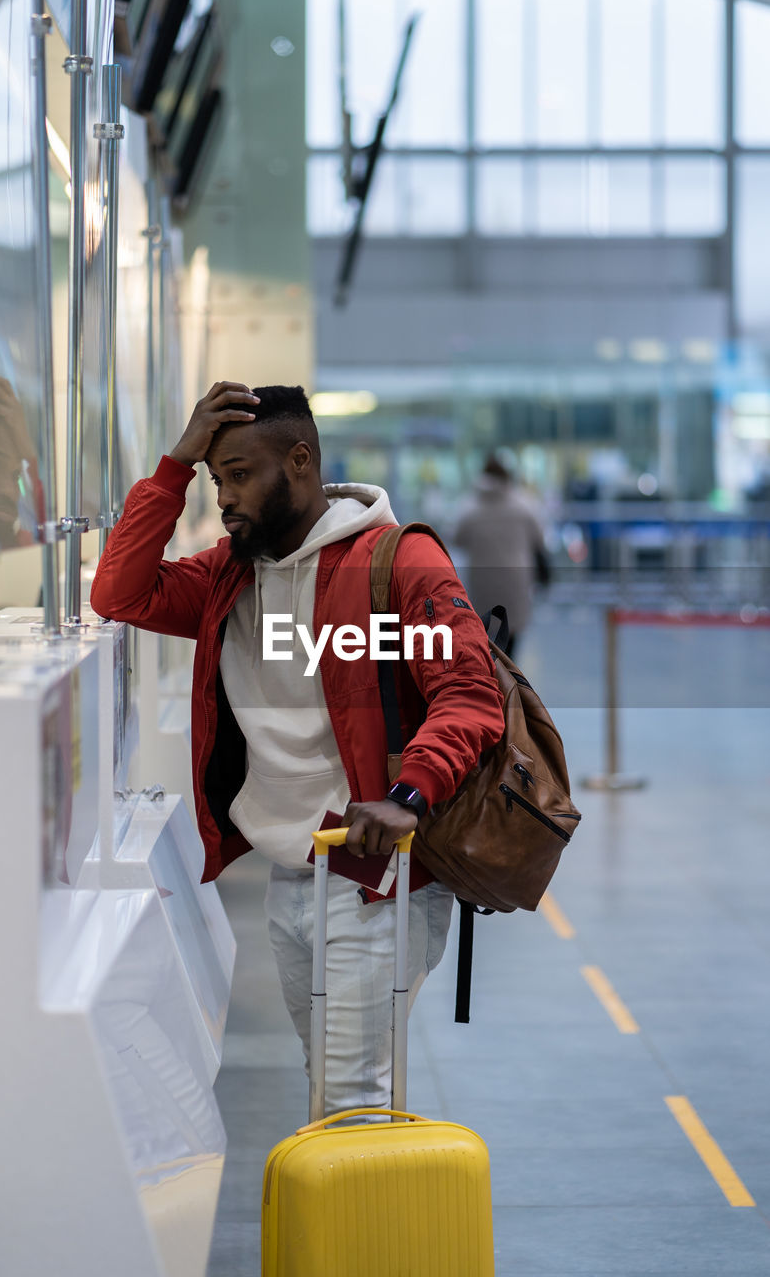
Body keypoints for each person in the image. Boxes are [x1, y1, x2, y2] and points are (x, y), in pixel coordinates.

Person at [91, 381, 504, 1113]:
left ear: (301, 461)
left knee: (347, 1095)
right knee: (331, 1085)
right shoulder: (229, 577)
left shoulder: (397, 563)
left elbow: (468, 696)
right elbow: (119, 594)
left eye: (240, 475)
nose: (224, 497)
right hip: (293, 872)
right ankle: (362, 1224)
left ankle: (372, 1227)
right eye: (217, 479)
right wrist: (171, 467)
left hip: (378, 874)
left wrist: (411, 793)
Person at [454, 455, 550, 660]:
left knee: (485, 642)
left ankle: (492, 686)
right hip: (515, 582)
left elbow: (457, 538)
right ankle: (509, 687)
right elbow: (540, 538)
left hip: (482, 584)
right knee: (510, 643)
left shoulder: (470, 508)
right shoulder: (524, 505)